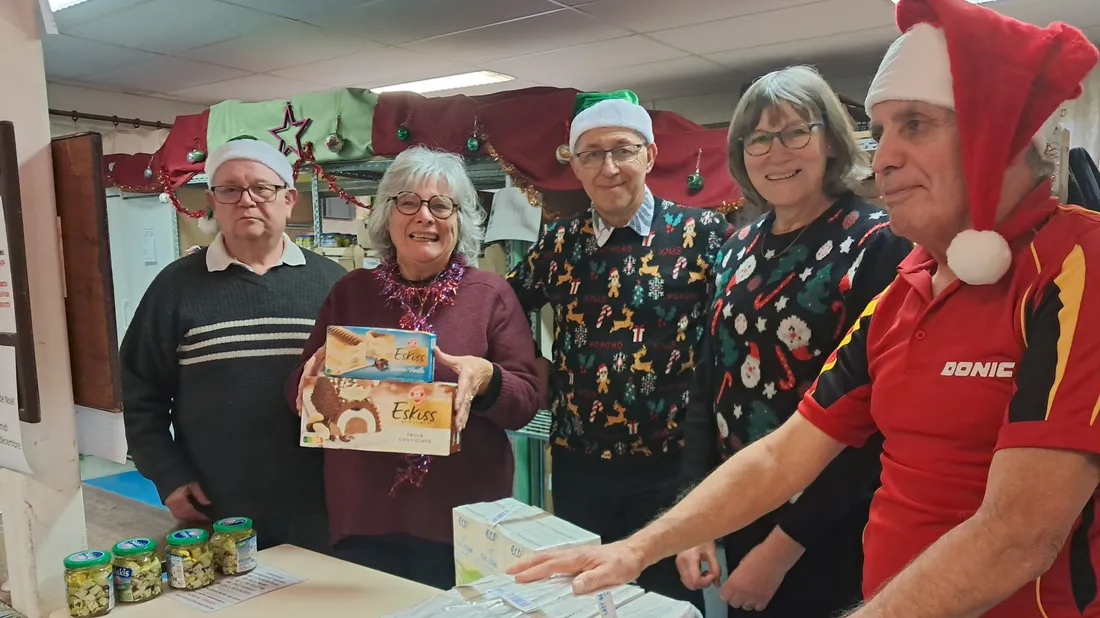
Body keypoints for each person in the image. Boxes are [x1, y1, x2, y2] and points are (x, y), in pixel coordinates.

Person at [510, 2, 1100, 616]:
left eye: (916, 125)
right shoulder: (911, 285)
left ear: (996, 131)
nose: (886, 156)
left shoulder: (1078, 265)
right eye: (882, 129)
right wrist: (638, 550)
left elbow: (1018, 535)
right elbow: (782, 453)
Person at [677, 65, 911, 616]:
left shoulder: (879, 244)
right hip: (740, 508)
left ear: (829, 139)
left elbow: (876, 423)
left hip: (832, 527)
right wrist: (696, 515)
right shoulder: (736, 248)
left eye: (795, 132)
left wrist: (781, 550)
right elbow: (706, 388)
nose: (775, 152)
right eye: (758, 137)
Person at [506, 89, 734, 608]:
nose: (609, 167)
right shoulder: (559, 245)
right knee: (582, 598)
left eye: (623, 150)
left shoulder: (702, 234)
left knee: (666, 604)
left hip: (672, 467)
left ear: (649, 156)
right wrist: (531, 367)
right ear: (576, 167)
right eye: (591, 154)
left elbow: (731, 340)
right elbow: (502, 305)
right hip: (579, 465)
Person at [288, 146, 541, 590]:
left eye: (441, 205)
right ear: (388, 215)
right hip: (365, 516)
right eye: (409, 202)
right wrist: (314, 380)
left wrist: (487, 379)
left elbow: (523, 403)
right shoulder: (351, 292)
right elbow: (298, 395)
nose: (425, 216)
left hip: (463, 523)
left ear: (459, 220)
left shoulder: (490, 294)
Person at [120, 137, 347, 551]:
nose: (247, 201)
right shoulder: (175, 287)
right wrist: (166, 474)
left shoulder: (332, 284)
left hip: (321, 503)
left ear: (288, 199)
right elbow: (139, 392)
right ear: (212, 200)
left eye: (262, 188)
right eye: (230, 190)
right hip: (216, 506)